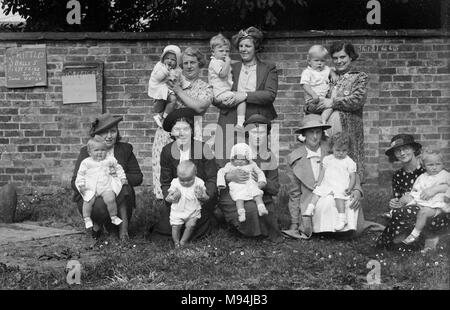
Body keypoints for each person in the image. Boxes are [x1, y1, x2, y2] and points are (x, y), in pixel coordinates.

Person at [283, 114, 382, 240]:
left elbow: (352, 173)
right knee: (327, 202)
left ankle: (343, 229)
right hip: (313, 198)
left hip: (339, 191)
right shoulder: (294, 158)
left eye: (318, 132)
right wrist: (294, 223)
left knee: (342, 202)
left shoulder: (334, 150)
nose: (315, 136)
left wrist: (357, 190)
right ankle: (325, 229)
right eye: (311, 132)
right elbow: (295, 193)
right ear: (304, 134)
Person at [152, 47, 213, 200]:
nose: (189, 66)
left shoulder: (205, 87)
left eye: (193, 62)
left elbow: (199, 107)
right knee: (164, 170)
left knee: (192, 169)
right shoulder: (172, 79)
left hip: (192, 134)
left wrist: (178, 91)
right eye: (185, 63)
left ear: (200, 64)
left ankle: (196, 208)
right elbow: (157, 106)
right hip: (167, 131)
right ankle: (166, 209)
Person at [212, 26, 278, 168]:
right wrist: (220, 99)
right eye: (241, 46)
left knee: (255, 161)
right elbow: (217, 89)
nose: (243, 49)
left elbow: (270, 94)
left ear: (256, 47)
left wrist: (244, 95)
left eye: (248, 46)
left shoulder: (268, 68)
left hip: (256, 119)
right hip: (231, 118)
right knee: (226, 159)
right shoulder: (231, 67)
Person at [71, 113, 143, 241]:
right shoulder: (86, 152)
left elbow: (137, 177)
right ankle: (98, 225)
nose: (109, 136)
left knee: (125, 190)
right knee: (98, 205)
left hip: (117, 193)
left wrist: (117, 177)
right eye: (104, 132)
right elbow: (74, 181)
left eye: (113, 131)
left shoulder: (125, 149)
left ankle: (122, 231)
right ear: (97, 135)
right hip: (93, 193)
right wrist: (91, 187)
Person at [304, 41, 368, 182]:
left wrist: (333, 102)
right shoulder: (325, 76)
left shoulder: (359, 77)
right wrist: (310, 106)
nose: (339, 61)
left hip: (349, 130)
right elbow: (313, 100)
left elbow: (357, 100)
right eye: (335, 58)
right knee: (327, 172)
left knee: (348, 171)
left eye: (343, 57)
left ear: (350, 57)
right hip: (325, 133)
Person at [151, 108, 217, 241]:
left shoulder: (203, 148)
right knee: (165, 229)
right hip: (178, 199)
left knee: (197, 228)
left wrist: (205, 195)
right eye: (177, 129)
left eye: (186, 129)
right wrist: (168, 196)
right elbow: (165, 180)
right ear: (172, 133)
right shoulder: (167, 151)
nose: (182, 133)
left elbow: (212, 178)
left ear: (192, 130)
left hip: (198, 198)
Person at [376, 134, 450, 252]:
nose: (402, 153)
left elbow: (446, 184)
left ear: (414, 149)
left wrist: (435, 189)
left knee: (409, 212)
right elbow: (399, 198)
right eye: (398, 151)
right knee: (402, 213)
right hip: (409, 214)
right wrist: (394, 202)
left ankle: (397, 241)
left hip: (433, 213)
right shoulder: (398, 176)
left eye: (406, 148)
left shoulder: (429, 167)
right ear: (394, 154)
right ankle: (396, 241)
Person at [217, 114, 283, 242]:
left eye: (262, 133)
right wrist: (229, 176)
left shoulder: (268, 156)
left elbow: (275, 188)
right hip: (234, 195)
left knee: (265, 213)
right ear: (247, 134)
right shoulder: (236, 151)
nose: (258, 136)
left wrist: (263, 182)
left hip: (259, 195)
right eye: (254, 132)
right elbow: (219, 172)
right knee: (249, 210)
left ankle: (256, 231)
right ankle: (242, 231)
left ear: (267, 135)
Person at [304, 132, 357, 231]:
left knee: (339, 197)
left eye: (344, 150)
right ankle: (310, 208)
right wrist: (318, 183)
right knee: (317, 191)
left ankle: (342, 218)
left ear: (348, 150)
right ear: (332, 148)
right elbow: (322, 172)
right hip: (328, 183)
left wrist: (350, 187)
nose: (341, 153)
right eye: (337, 150)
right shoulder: (328, 159)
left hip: (340, 184)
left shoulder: (349, 161)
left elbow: (352, 176)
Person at [75, 135, 127, 230]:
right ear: (90, 152)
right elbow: (80, 175)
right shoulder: (86, 162)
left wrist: (122, 178)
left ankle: (113, 216)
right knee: (88, 200)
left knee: (111, 199)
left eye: (103, 150)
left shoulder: (110, 160)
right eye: (96, 150)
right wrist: (81, 185)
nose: (100, 153)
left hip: (105, 186)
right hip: (91, 187)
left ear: (106, 151)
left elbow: (119, 168)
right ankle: (87, 218)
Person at [400, 148, 449, 245]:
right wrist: (410, 196)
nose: (434, 167)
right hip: (422, 201)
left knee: (423, 213)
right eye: (430, 165)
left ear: (442, 164)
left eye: (438, 164)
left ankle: (414, 234)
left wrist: (447, 195)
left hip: (437, 205)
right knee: (404, 199)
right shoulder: (422, 177)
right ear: (424, 165)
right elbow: (415, 189)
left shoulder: (446, 175)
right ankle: (395, 212)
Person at [217, 143, 268, 223]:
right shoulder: (229, 165)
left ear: (248, 159)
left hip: (251, 185)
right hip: (238, 186)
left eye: (243, 159)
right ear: (232, 158)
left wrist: (262, 181)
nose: (239, 161)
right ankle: (241, 213)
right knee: (239, 198)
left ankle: (261, 208)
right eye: (237, 159)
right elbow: (221, 172)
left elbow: (260, 172)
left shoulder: (252, 165)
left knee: (257, 195)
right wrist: (221, 183)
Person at [167, 160, 209, 247]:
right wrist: (173, 197)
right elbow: (167, 198)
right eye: (182, 180)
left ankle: (183, 241)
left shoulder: (199, 182)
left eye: (189, 180)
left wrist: (201, 195)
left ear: (195, 174)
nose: (185, 183)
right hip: (178, 211)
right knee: (175, 227)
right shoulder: (175, 183)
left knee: (191, 225)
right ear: (178, 175)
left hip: (193, 210)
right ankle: (176, 242)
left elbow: (206, 197)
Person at [208, 33, 245, 130]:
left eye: (227, 51)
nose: (224, 53)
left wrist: (241, 63)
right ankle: (240, 124)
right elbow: (222, 74)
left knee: (241, 99)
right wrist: (228, 62)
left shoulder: (222, 61)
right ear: (213, 52)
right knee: (243, 98)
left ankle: (240, 123)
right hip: (219, 93)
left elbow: (232, 63)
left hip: (224, 92)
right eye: (221, 51)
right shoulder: (214, 62)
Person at [300, 45, 337, 125]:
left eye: (322, 61)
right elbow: (305, 84)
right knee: (329, 107)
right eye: (316, 61)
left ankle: (322, 123)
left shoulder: (326, 69)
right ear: (309, 61)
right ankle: (319, 124)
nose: (320, 63)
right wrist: (313, 94)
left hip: (323, 100)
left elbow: (330, 71)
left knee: (330, 106)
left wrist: (333, 75)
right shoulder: (308, 72)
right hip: (313, 101)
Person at [148, 44, 182, 128]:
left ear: (177, 61)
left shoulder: (177, 70)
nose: (169, 61)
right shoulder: (160, 66)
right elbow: (158, 77)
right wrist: (165, 70)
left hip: (167, 89)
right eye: (167, 58)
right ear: (163, 58)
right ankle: (162, 117)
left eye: (173, 59)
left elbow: (179, 80)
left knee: (172, 101)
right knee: (169, 101)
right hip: (159, 87)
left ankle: (162, 117)